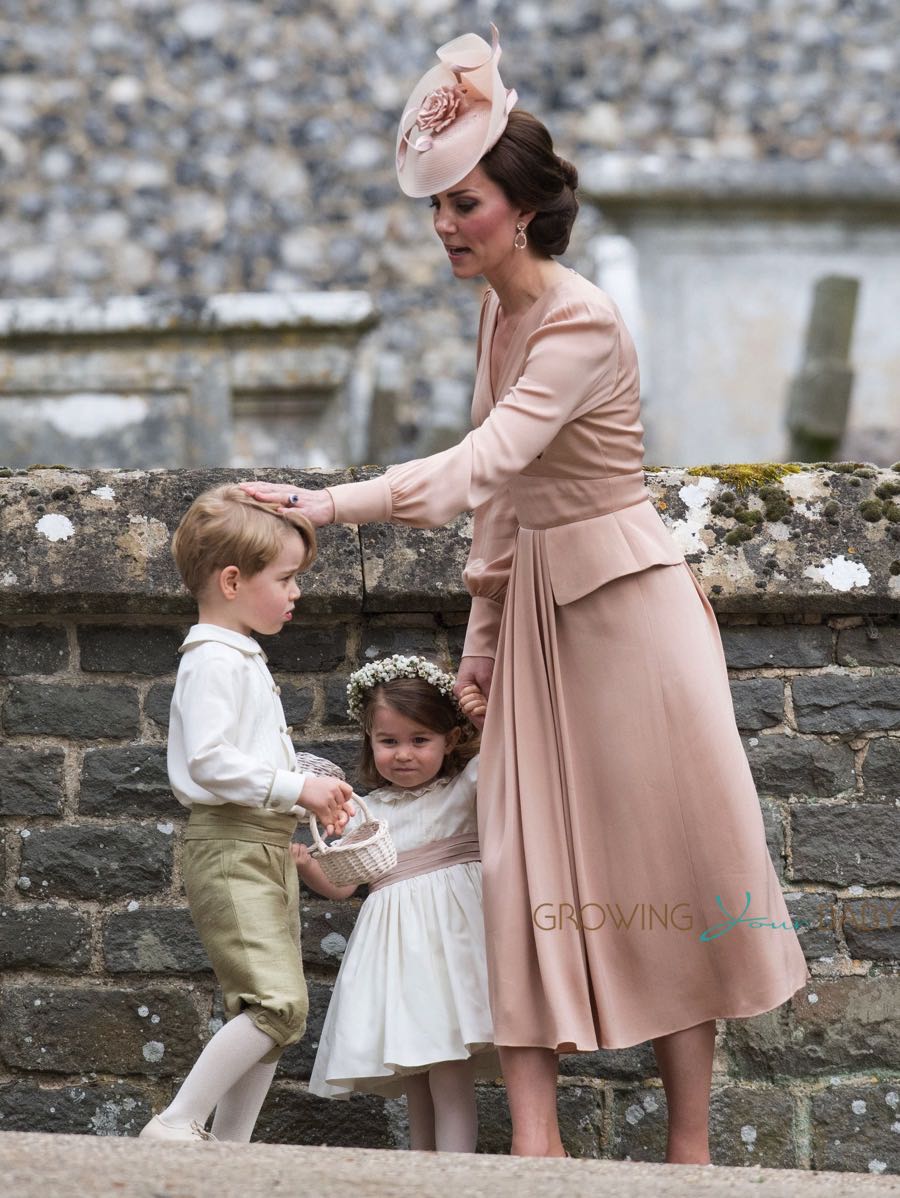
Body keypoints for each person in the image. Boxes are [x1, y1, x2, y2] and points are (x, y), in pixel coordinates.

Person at [241, 26, 809, 1163]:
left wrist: (330, 504)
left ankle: (690, 1156)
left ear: (526, 208)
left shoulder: (582, 318)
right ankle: (535, 1155)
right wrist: (484, 645)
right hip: (541, 615)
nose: (448, 227)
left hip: (630, 616)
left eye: (467, 205)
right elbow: (503, 516)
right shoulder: (499, 312)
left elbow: (478, 466)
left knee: (666, 871)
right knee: (524, 868)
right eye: (438, 207)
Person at [139, 483, 354, 1143]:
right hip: (232, 848)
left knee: (276, 1011)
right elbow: (206, 761)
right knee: (276, 1003)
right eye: (286, 579)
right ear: (232, 580)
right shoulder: (212, 661)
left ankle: (230, 1147)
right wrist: (294, 789)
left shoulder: (236, 655)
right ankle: (176, 1123)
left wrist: (306, 784)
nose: (296, 593)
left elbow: (241, 754)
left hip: (258, 846)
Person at [295, 655, 495, 1153]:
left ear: (449, 740)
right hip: (399, 959)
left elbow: (506, 754)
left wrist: (484, 720)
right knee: (416, 1076)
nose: (403, 754)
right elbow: (345, 884)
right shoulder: (369, 809)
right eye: (388, 741)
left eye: (419, 740)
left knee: (449, 1067)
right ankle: (422, 1171)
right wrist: (307, 865)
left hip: (452, 949)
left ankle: (456, 1175)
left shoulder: (463, 789)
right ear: (371, 743)